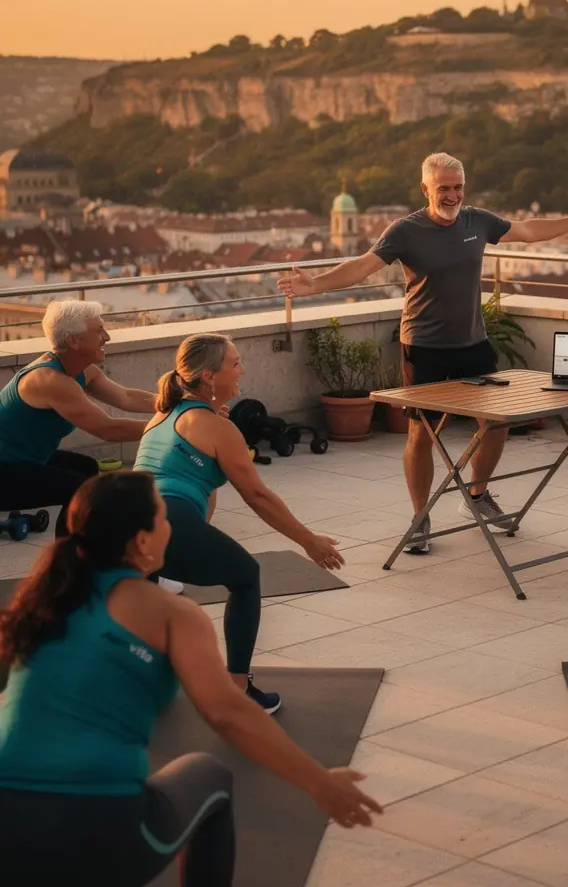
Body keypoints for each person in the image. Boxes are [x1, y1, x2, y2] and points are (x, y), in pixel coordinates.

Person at [0, 470, 381, 887]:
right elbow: (226, 711)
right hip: (99, 824)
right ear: (142, 541)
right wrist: (319, 782)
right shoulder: (171, 613)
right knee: (209, 775)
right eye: (165, 518)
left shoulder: (38, 600)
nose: (171, 528)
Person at [278, 151, 568, 554]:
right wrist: (314, 285)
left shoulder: (478, 221)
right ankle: (421, 518)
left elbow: (526, 230)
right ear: (426, 189)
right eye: (444, 188)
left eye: (458, 187)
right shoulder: (405, 230)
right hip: (424, 348)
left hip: (472, 343)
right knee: (422, 433)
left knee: (496, 423)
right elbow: (363, 267)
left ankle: (475, 496)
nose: (452, 195)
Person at [133, 333, 343, 714]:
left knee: (149, 588)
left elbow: (202, 494)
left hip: (125, 519)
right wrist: (308, 540)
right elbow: (257, 496)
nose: (242, 369)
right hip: (167, 517)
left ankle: (141, 679)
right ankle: (237, 691)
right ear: (210, 377)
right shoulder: (217, 428)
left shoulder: (164, 414)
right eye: (235, 362)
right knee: (245, 576)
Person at [0, 301, 153, 535]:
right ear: (74, 341)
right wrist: (176, 425)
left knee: (87, 469)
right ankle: (66, 560)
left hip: (22, 461)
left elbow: (125, 397)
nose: (107, 336)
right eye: (99, 330)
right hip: (5, 470)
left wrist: (179, 402)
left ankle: (77, 548)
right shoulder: (51, 381)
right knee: (79, 489)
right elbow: (108, 429)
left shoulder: (79, 370)